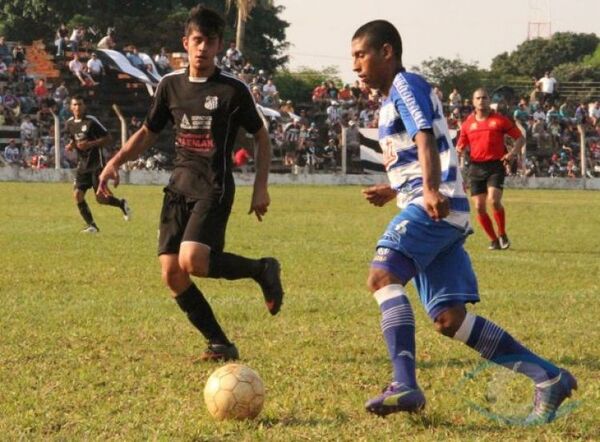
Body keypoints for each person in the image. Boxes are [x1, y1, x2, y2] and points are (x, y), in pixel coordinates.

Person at [351, 19, 576, 423]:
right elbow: (426, 143)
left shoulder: (405, 84)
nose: (355, 66)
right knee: (449, 320)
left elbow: (424, 135)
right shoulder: (389, 100)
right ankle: (548, 377)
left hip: (433, 206)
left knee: (382, 277)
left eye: (360, 55)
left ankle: (405, 385)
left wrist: (431, 189)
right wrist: (395, 189)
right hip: (435, 206)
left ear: (387, 52)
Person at [97, 5, 284, 362]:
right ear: (186, 42)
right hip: (178, 187)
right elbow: (147, 133)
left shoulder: (232, 90)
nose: (202, 48)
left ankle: (263, 269)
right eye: (197, 40)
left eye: (210, 42)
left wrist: (261, 187)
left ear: (219, 46)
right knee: (171, 273)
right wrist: (114, 163)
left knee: (194, 261)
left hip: (213, 186)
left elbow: (262, 136)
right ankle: (220, 344)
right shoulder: (170, 85)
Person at [456, 88, 524, 250]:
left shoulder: (500, 120)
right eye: (478, 98)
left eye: (484, 98)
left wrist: (512, 153)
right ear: (473, 102)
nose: (481, 101)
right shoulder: (468, 124)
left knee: (493, 200)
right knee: (479, 207)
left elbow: (520, 138)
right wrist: (460, 149)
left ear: (489, 100)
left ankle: (502, 234)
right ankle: (493, 239)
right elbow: (461, 144)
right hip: (476, 166)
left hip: (495, 165)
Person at [65, 96, 132, 233]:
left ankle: (121, 204)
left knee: (100, 198)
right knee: (77, 194)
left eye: (80, 104)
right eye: (75, 105)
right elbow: (74, 139)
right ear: (71, 107)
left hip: (96, 164)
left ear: (84, 106)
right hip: (82, 164)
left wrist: (89, 144)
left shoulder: (91, 121)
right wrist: (71, 145)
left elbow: (108, 138)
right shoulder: (69, 123)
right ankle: (92, 226)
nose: (77, 107)